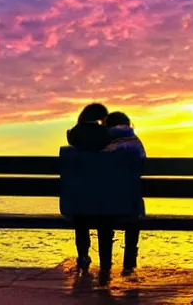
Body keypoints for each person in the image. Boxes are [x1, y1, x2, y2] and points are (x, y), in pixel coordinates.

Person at [66, 103, 110, 271]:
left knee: (81, 221)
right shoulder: (106, 135)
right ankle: (105, 260)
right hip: (103, 197)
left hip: (80, 198)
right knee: (105, 220)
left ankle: (83, 255)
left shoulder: (75, 133)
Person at [103, 111, 146, 274]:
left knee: (105, 220)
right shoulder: (136, 142)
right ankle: (129, 263)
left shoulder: (105, 143)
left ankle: (106, 263)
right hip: (131, 202)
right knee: (133, 217)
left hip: (107, 203)